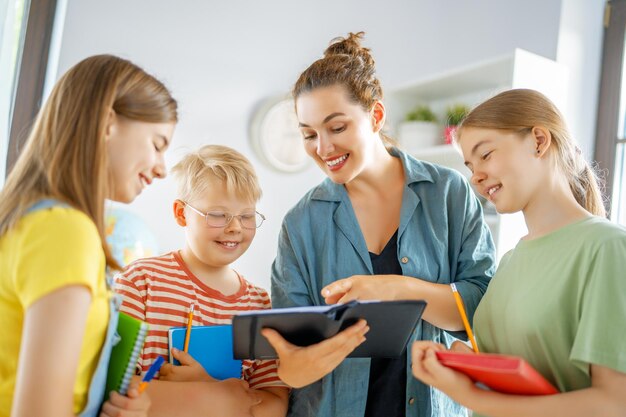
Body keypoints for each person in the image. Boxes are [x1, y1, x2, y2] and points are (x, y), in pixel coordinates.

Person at [263, 32, 496, 417]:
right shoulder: (301, 223)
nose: (322, 148)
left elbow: (481, 310)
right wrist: (307, 359)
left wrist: (394, 288)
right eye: (309, 134)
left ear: (375, 115)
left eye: (337, 128)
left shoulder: (448, 194)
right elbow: (289, 366)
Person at [411, 88, 626, 417]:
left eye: (486, 155)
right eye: (470, 165)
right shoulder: (511, 259)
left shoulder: (606, 247)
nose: (475, 176)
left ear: (539, 140)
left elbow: (613, 404)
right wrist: (463, 362)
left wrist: (471, 396)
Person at [0, 54, 178, 417]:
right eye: (158, 144)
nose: (162, 169)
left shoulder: (29, 220)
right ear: (107, 122)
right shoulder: (65, 231)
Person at [114, 144, 289, 417]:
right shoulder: (141, 282)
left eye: (247, 216)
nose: (235, 227)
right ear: (181, 213)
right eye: (218, 215)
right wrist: (225, 398)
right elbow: (116, 390)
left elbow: (274, 405)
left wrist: (207, 387)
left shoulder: (260, 305)